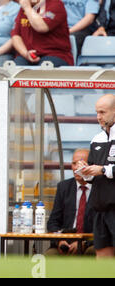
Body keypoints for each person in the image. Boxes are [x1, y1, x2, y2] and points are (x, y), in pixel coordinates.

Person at [79, 94, 115, 258]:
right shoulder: (96, 139)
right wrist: (85, 171)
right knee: (103, 265)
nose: (98, 117)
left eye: (103, 112)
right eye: (96, 112)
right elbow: (94, 174)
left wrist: (103, 170)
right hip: (100, 209)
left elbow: (101, 170)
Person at [45, 148, 96, 255]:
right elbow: (53, 222)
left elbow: (104, 226)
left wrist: (85, 243)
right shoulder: (63, 187)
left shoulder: (99, 188)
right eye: (73, 163)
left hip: (91, 243)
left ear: (91, 166)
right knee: (51, 255)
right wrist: (60, 240)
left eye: (81, 164)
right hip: (65, 242)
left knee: (92, 253)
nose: (76, 168)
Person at [11, 0, 74, 67]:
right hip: (28, 55)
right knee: (14, 71)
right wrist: (25, 54)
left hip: (54, 54)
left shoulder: (55, 4)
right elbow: (16, 36)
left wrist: (27, 8)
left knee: (42, 72)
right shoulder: (24, 8)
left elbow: (42, 27)